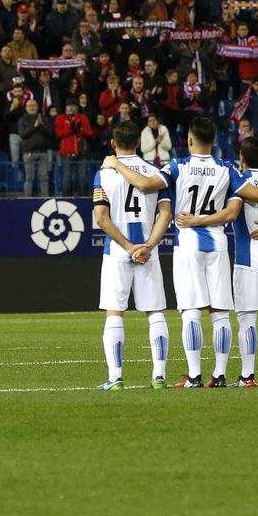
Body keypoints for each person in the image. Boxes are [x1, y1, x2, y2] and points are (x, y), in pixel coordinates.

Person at [104, 114, 244, 387]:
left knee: (191, 310)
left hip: (189, 244)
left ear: (189, 140)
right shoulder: (227, 168)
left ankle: (194, 376)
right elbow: (232, 211)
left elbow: (145, 184)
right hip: (218, 244)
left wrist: (116, 163)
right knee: (220, 312)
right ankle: (220, 375)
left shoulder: (177, 166)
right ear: (214, 141)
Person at [180, 135, 258, 386]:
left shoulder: (241, 182)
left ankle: (247, 376)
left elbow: (231, 213)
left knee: (247, 318)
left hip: (248, 258)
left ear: (241, 158)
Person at [91, 120, 174, 390]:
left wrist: (128, 247)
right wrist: (148, 246)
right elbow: (166, 213)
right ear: (138, 143)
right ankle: (159, 376)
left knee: (115, 313)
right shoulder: (155, 172)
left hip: (116, 251)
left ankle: (115, 377)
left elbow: (101, 219)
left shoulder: (103, 173)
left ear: (113, 144)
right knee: (155, 312)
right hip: (148, 253)